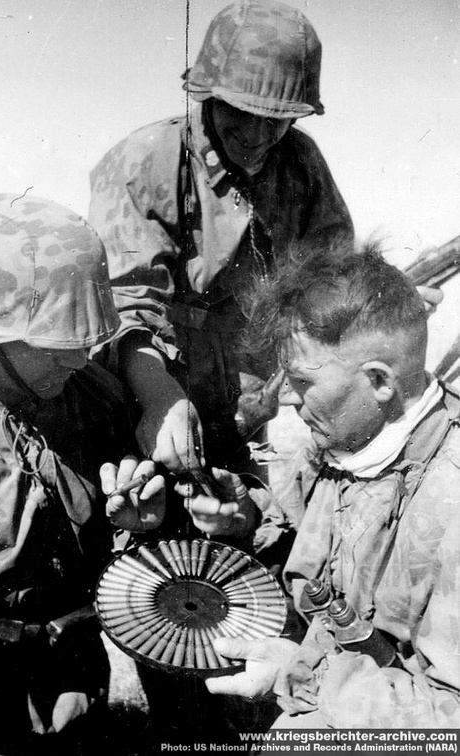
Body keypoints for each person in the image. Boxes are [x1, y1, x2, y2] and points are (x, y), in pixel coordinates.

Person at [183, 243, 460, 728]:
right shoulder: (346, 446)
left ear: (379, 381)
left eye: (301, 380)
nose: (286, 398)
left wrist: (302, 677)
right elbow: (320, 579)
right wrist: (246, 521)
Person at [0, 194, 165, 755]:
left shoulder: (93, 399)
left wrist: (137, 526)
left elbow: (128, 568)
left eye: (85, 339)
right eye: (57, 343)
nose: (80, 359)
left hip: (73, 685)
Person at [88, 0, 354, 477]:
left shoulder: (301, 165)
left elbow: (329, 280)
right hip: (139, 408)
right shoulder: (147, 160)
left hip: (245, 420)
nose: (256, 134)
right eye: (241, 111)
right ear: (208, 95)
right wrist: (159, 400)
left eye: (275, 119)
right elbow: (124, 304)